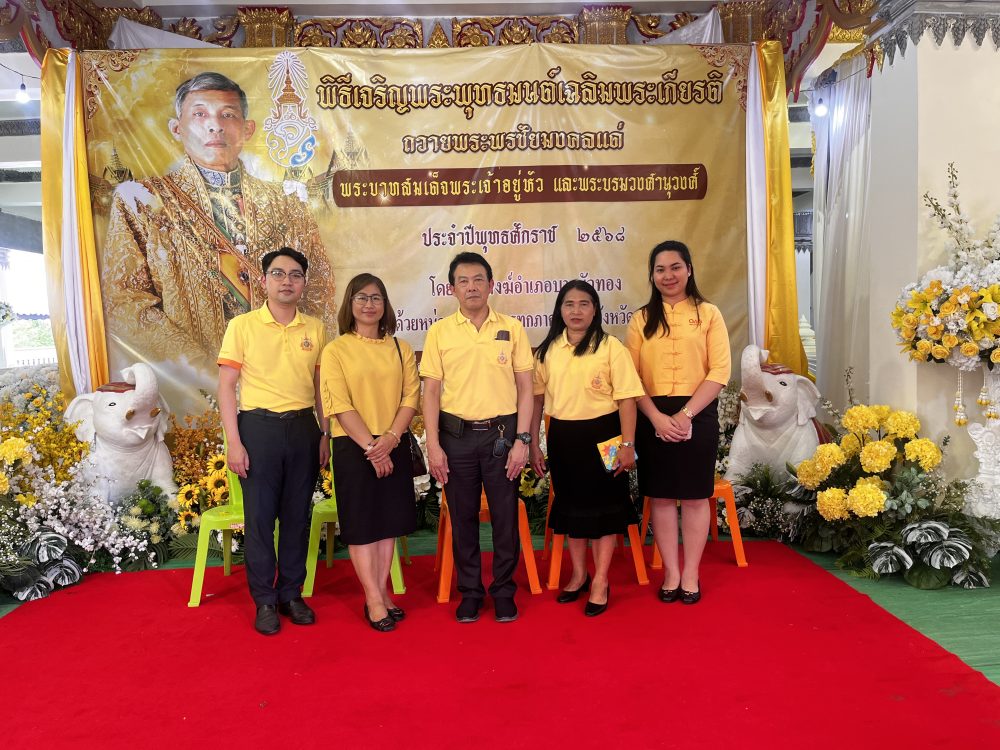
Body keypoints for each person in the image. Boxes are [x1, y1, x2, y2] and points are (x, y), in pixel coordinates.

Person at [104, 71, 336, 372]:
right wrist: (200, 369)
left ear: (247, 129)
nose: (215, 125)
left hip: (280, 372)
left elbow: (318, 289)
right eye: (200, 114)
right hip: (192, 383)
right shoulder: (142, 201)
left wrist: (295, 361)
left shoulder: (287, 202)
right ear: (176, 128)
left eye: (228, 115)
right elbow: (125, 301)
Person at [217, 247, 330, 636]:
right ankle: (264, 600)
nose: (287, 281)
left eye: (295, 275)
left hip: (303, 429)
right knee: (260, 520)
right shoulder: (242, 326)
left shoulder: (315, 329)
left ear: (303, 283)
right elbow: (227, 388)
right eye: (278, 274)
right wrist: (234, 442)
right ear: (263, 280)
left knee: (297, 518)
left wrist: (324, 433)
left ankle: (291, 594)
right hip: (257, 429)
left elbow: (321, 389)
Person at [421, 251, 534, 623]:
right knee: (462, 517)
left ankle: (503, 591)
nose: (471, 287)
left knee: (505, 517)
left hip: (502, 436)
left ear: (491, 285)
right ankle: (470, 591)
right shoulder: (440, 332)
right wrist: (433, 445)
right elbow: (430, 392)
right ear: (452, 289)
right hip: (456, 438)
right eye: (463, 281)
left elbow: (525, 388)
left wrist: (523, 440)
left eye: (478, 280)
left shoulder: (512, 328)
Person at [529, 281, 644, 617]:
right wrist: (534, 443)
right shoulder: (547, 351)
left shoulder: (611, 348)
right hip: (564, 438)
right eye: (569, 304)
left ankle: (601, 581)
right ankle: (580, 575)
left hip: (607, 437)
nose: (576, 311)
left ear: (595, 310)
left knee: (606, 509)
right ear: (560, 310)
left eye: (584, 304)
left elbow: (627, 400)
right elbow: (536, 402)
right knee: (572, 508)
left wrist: (628, 445)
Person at [625, 240, 731, 605]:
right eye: (660, 269)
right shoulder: (641, 319)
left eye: (675, 267)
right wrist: (656, 417)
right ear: (652, 275)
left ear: (689, 270)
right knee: (662, 497)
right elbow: (631, 378)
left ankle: (691, 573)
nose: (668, 275)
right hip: (652, 415)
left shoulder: (709, 314)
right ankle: (671, 571)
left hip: (697, 414)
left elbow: (720, 371)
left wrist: (686, 416)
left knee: (696, 497)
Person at [319, 274, 419, 633]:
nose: (369, 304)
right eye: (361, 297)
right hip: (354, 446)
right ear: (350, 304)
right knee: (363, 525)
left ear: (385, 304)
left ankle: (383, 591)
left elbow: (411, 397)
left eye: (376, 298)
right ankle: (373, 598)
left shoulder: (400, 349)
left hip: (392, 441)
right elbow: (339, 404)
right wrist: (373, 449)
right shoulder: (336, 350)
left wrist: (390, 438)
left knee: (387, 523)